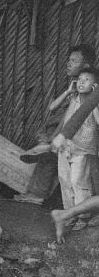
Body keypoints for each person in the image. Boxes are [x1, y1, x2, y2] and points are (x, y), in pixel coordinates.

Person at [15, 44, 96, 204]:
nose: (68, 63)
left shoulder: (89, 89)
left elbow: (71, 119)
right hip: (69, 136)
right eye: (69, 60)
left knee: (70, 174)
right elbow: (54, 109)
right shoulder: (75, 86)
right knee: (60, 168)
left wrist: (55, 138)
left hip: (81, 140)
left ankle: (39, 194)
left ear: (85, 66)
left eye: (73, 61)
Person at [52, 67, 99, 230]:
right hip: (66, 146)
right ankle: (68, 214)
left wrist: (95, 101)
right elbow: (53, 109)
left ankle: (83, 217)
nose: (81, 82)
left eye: (87, 80)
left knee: (78, 182)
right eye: (80, 79)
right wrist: (68, 91)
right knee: (64, 179)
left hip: (84, 149)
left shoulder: (93, 103)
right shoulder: (74, 98)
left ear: (95, 85)